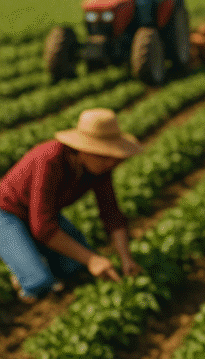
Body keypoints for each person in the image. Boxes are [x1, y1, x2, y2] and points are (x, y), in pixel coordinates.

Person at [0, 107, 144, 302]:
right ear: (83, 149)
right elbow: (42, 227)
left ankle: (32, 255)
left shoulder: (99, 169)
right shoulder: (50, 159)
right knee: (39, 282)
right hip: (6, 213)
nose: (110, 162)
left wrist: (126, 258)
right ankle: (23, 272)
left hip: (41, 214)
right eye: (103, 155)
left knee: (74, 267)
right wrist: (92, 259)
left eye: (113, 157)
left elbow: (111, 214)